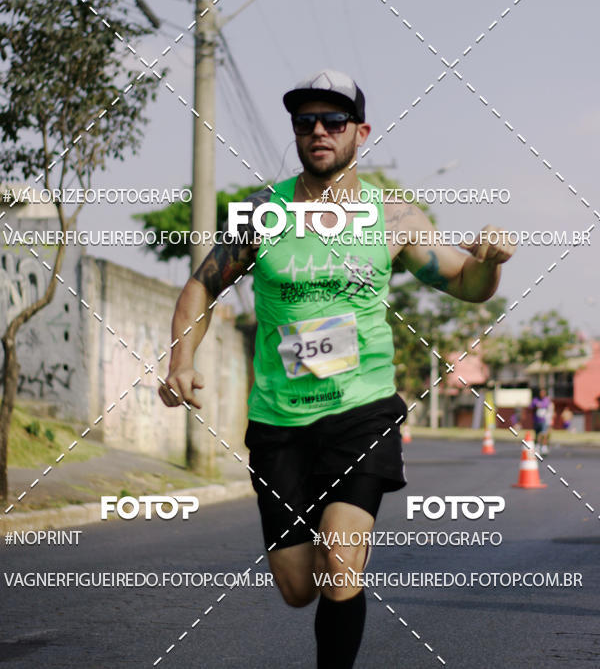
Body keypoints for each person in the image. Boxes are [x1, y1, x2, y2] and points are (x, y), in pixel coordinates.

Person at [160, 70, 516, 668]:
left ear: (361, 132)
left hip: (362, 411)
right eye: (306, 122)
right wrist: (180, 361)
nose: (318, 131)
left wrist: (491, 262)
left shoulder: (392, 217)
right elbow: (202, 286)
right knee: (299, 586)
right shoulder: (262, 213)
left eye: (333, 121)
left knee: (340, 561)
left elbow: (465, 282)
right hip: (279, 420)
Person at [531, 387, 552, 454]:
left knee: (544, 434)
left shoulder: (546, 400)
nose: (542, 394)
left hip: (544, 420)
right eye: (541, 393)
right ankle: (537, 446)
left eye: (543, 393)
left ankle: (544, 447)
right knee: (537, 434)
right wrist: (536, 406)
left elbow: (546, 405)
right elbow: (531, 406)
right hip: (536, 420)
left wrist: (540, 405)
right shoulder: (535, 399)